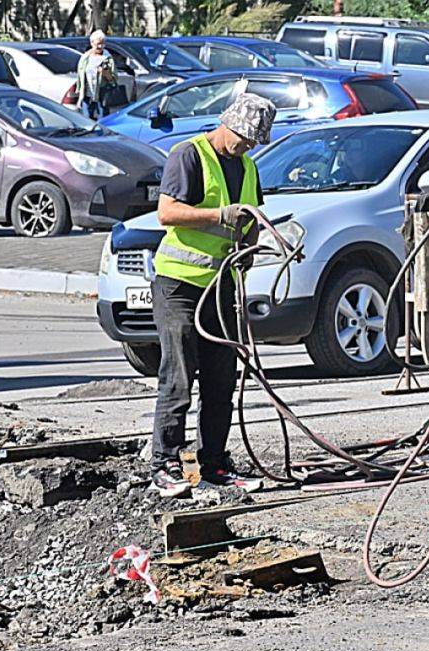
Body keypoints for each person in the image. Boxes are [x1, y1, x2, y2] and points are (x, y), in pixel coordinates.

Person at [150, 93, 275, 497]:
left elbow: (252, 214)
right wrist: (218, 215)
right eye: (243, 137)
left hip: (221, 286)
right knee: (179, 374)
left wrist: (252, 245)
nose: (246, 145)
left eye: (253, 141)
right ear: (227, 123)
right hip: (180, 284)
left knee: (222, 378)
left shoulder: (248, 166)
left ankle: (214, 464)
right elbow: (167, 212)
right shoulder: (189, 155)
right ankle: (165, 462)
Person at [76, 30, 118, 119]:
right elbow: (80, 77)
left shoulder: (107, 58)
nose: (100, 46)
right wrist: (80, 96)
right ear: (91, 43)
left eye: (102, 44)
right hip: (87, 94)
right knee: (86, 120)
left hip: (102, 94)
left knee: (102, 120)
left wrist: (106, 74)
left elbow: (114, 80)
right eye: (98, 44)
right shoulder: (85, 58)